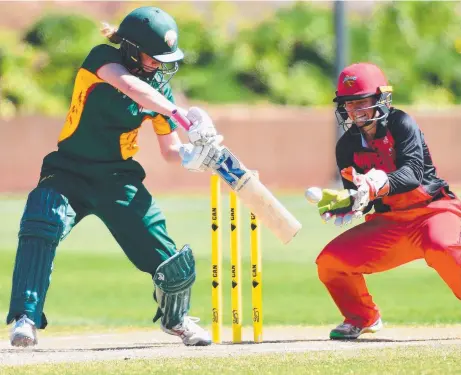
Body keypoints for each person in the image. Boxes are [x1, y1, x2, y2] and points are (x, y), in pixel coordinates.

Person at [7, 6, 223, 347]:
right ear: (131, 47)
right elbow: (131, 87)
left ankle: (177, 319)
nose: (158, 64)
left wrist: (195, 155)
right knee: (41, 221)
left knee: (171, 261)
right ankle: (25, 318)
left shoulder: (160, 91)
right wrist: (181, 113)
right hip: (69, 169)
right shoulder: (102, 59)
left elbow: (169, 150)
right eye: (153, 56)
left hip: (119, 178)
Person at [313, 62, 461, 340]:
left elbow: (413, 175)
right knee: (330, 262)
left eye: (362, 102)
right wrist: (343, 203)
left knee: (442, 246)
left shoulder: (402, 123)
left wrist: (378, 182)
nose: (355, 111)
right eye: (349, 104)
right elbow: (360, 197)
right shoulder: (346, 145)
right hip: (390, 222)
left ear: (381, 98)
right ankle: (362, 317)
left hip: (432, 212)